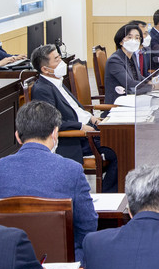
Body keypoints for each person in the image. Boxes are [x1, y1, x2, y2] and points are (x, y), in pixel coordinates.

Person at [0, 100, 98, 261]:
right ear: (55, 133)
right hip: (63, 263)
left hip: (8, 262)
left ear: (18, 136)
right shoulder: (72, 170)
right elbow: (88, 225)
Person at [30, 44, 119, 192]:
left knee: (123, 140)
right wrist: (80, 126)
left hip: (89, 128)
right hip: (77, 138)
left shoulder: (57, 81)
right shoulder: (42, 89)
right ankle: (108, 194)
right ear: (45, 69)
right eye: (57, 60)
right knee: (119, 151)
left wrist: (92, 118)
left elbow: (76, 109)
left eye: (60, 57)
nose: (62, 62)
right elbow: (50, 122)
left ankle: (113, 192)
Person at [104, 23, 150, 106]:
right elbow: (129, 84)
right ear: (121, 41)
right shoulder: (115, 60)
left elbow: (139, 77)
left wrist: (151, 82)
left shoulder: (132, 56)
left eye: (137, 38)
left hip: (131, 100)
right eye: (129, 37)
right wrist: (153, 87)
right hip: (117, 106)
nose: (134, 41)